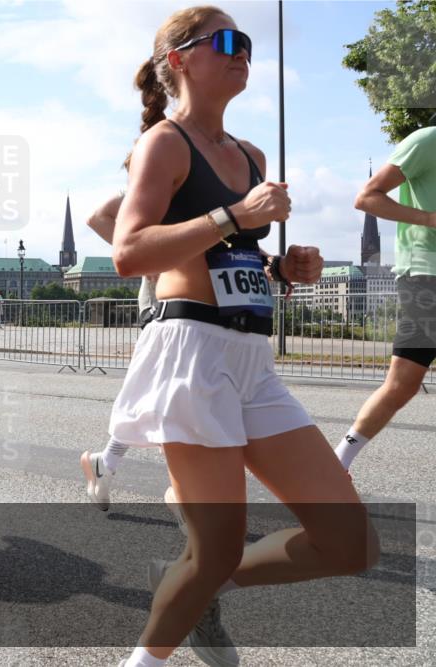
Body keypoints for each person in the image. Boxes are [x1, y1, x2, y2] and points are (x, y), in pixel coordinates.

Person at [108, 7, 378, 667]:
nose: (242, 54)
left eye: (247, 44)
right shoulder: (164, 143)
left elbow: (235, 259)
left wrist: (284, 270)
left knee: (350, 543)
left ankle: (198, 585)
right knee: (217, 546)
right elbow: (130, 250)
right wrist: (233, 213)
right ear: (180, 60)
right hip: (192, 354)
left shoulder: (251, 154)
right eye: (225, 42)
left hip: (252, 360)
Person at [334, 124, 436, 471]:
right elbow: (367, 197)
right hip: (427, 275)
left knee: (402, 384)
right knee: (402, 384)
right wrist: (429, 219)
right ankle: (338, 462)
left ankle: (337, 462)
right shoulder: (427, 141)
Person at [81, 192, 159, 510]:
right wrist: (146, 257)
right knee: (179, 397)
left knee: (165, 397)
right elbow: (98, 216)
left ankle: (107, 461)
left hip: (204, 306)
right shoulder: (158, 184)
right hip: (165, 305)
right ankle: (188, 497)